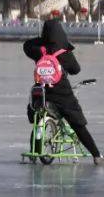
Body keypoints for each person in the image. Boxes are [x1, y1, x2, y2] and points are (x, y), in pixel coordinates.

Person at [23, 19, 101, 164]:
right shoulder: (63, 52)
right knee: (78, 125)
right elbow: (76, 70)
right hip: (62, 95)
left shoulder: (38, 50)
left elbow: (26, 45)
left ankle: (34, 151)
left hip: (41, 93)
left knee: (38, 119)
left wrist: (42, 40)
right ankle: (96, 155)